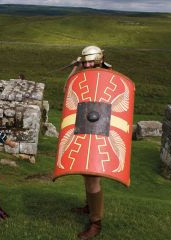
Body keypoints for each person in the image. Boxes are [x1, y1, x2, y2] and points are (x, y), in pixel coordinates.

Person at [68, 46, 111, 239]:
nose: (86, 65)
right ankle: (89, 206)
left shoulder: (107, 77)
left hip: (100, 132)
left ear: (100, 60)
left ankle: (96, 223)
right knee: (86, 174)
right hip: (86, 129)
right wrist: (76, 68)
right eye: (83, 62)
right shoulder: (84, 75)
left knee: (93, 178)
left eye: (89, 62)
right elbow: (68, 90)